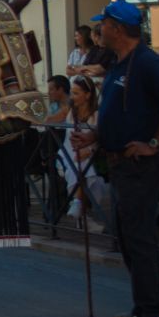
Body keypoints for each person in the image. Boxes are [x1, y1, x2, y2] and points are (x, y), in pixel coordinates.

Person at [71, 0, 159, 317]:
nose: (98, 30)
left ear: (117, 28)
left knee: (139, 238)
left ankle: (156, 315)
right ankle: (142, 305)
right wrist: (94, 134)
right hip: (118, 161)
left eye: (102, 24)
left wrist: (154, 142)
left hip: (139, 164)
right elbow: (119, 112)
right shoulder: (119, 63)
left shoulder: (147, 62)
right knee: (125, 235)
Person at [58, 76, 104, 228]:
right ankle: (80, 210)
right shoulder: (72, 112)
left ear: (88, 94)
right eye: (72, 93)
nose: (72, 97)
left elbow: (99, 139)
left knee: (83, 165)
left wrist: (88, 150)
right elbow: (69, 139)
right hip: (68, 152)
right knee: (81, 165)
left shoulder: (97, 115)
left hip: (91, 155)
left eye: (76, 93)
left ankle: (78, 206)